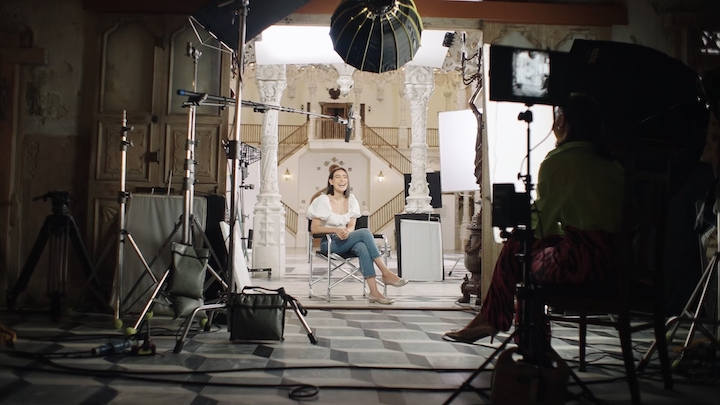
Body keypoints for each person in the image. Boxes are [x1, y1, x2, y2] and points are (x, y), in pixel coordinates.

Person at [444, 93, 625, 343]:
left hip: (583, 265)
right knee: (524, 251)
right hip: (618, 263)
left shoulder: (560, 161)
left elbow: (542, 226)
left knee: (519, 251)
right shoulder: (612, 164)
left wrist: (519, 225)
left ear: (563, 121)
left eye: (557, 116)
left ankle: (517, 333)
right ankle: (515, 331)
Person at [307, 166, 408, 304]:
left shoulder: (352, 200)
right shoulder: (322, 200)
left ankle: (374, 292)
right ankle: (386, 273)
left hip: (346, 239)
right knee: (365, 232)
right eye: (338, 177)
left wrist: (346, 232)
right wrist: (335, 230)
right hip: (329, 242)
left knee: (362, 247)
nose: (342, 180)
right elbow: (314, 228)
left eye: (345, 177)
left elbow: (351, 226)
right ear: (331, 181)